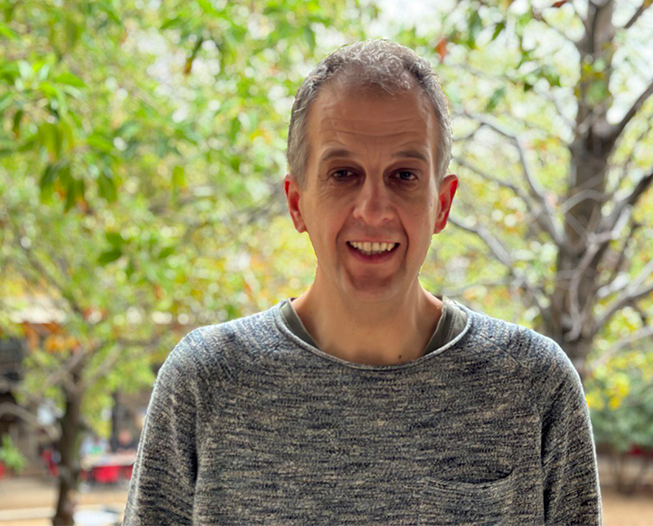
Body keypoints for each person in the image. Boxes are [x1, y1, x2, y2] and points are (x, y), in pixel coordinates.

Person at [123, 40, 601, 525]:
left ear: (442, 204)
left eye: (404, 175)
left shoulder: (532, 385)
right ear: (296, 202)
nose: (373, 210)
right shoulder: (205, 381)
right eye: (344, 173)